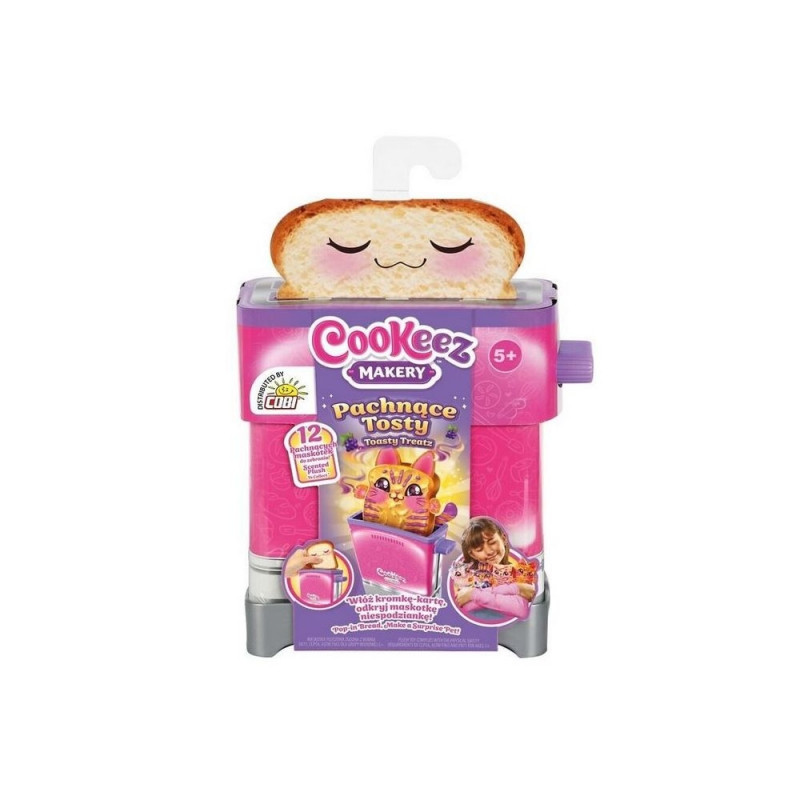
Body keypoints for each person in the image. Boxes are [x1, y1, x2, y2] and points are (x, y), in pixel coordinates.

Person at [453, 517, 535, 619]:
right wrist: (517, 588)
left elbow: (521, 609)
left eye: (492, 542)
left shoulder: (520, 569)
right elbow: (466, 606)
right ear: (472, 554)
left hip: (512, 628)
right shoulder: (467, 575)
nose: (489, 551)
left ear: (503, 538)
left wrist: (473, 594)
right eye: (479, 549)